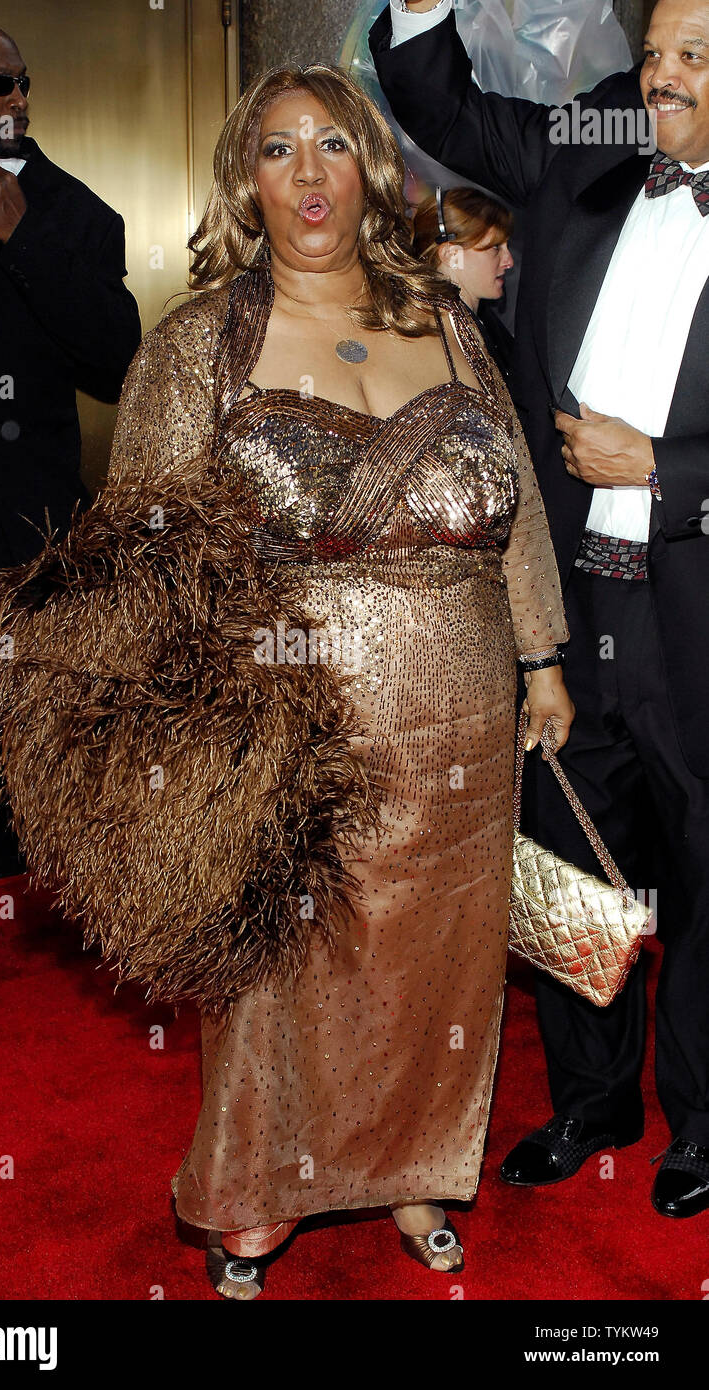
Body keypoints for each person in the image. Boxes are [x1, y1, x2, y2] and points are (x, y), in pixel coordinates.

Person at [0, 61, 573, 1298]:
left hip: (460, 705)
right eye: (278, 148)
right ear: (245, 177)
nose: (308, 174)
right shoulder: (201, 343)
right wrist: (157, 723)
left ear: (375, 170)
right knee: (280, 971)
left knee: (442, 964)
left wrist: (543, 657)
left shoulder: (449, 327)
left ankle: (417, 1168)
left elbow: (515, 514)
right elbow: (138, 542)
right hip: (283, 719)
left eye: (334, 146)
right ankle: (255, 1192)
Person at [370, 0, 709, 1218]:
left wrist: (665, 471)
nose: (655, 75)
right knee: (572, 854)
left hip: (696, 613)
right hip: (571, 610)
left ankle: (701, 1119)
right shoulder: (588, 143)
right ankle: (590, 1096)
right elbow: (438, 100)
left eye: (687, 57)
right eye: (656, 49)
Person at [0, 17, 141, 996]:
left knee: (45, 735)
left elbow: (113, 352)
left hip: (30, 528)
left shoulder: (72, 211)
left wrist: (27, 241)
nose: (17, 101)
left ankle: (68, 918)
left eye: (22, 84)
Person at [412, 184, 514, 376]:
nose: (509, 262)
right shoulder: (442, 340)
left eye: (507, 246)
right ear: (452, 255)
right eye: (495, 248)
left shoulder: (482, 322)